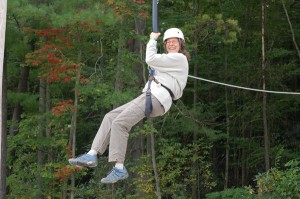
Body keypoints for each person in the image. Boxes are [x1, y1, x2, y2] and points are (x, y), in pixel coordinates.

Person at [69, 28, 190, 184]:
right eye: (168, 42)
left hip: (157, 97)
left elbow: (150, 58)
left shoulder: (179, 58)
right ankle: (93, 154)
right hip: (150, 95)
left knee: (120, 123)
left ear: (181, 44)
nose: (171, 44)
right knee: (110, 117)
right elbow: (155, 63)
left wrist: (152, 40)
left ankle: (119, 168)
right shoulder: (170, 61)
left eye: (174, 41)